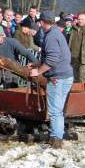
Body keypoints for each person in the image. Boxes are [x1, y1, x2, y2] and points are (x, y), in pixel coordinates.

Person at [29, 10, 73, 149]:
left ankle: (56, 140)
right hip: (65, 75)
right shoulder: (56, 33)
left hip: (57, 77)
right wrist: (37, 63)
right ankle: (57, 137)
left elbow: (52, 59)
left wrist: (38, 71)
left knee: (54, 111)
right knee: (58, 110)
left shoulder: (51, 36)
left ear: (41, 22)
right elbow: (56, 56)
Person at [0, 25, 38, 108]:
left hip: (13, 69)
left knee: (10, 89)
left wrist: (36, 63)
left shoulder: (12, 42)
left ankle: (11, 108)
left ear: (3, 35)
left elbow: (26, 53)